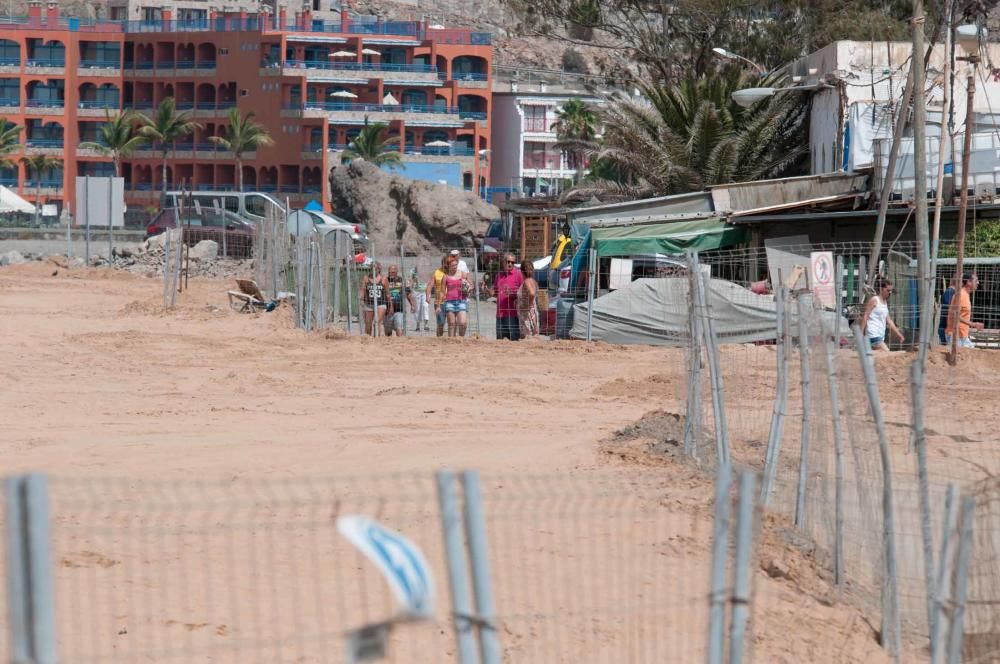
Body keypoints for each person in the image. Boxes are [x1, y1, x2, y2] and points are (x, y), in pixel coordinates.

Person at [861, 277, 904, 351]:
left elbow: (889, 320)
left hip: (880, 335)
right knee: (887, 353)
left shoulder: (884, 302)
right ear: (881, 289)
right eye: (888, 290)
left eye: (891, 291)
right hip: (873, 334)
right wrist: (861, 334)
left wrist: (898, 334)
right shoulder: (874, 300)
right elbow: (865, 316)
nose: (890, 292)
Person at [946, 272, 984, 349]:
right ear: (968, 282)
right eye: (976, 280)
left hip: (961, 335)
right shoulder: (961, 295)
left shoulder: (965, 294)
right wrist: (973, 324)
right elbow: (955, 315)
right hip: (955, 335)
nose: (978, 282)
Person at [437, 256, 472, 337]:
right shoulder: (445, 277)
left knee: (463, 323)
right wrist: (438, 306)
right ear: (448, 266)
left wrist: (468, 288)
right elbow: (442, 292)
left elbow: (471, 285)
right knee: (452, 324)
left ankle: (461, 339)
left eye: (456, 265)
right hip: (449, 302)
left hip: (461, 301)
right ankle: (451, 342)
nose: (455, 267)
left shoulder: (463, 274)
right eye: (453, 265)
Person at [493, 253, 523, 341]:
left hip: (512, 314)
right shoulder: (499, 275)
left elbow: (523, 293)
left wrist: (512, 294)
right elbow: (495, 292)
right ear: (503, 262)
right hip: (500, 313)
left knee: (513, 340)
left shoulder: (518, 275)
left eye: (512, 262)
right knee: (500, 340)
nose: (510, 264)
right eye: (508, 261)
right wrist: (488, 291)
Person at [360, 261, 390, 337]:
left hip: (381, 303)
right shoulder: (366, 278)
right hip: (369, 303)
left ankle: (377, 338)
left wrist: (390, 305)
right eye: (372, 268)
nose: (374, 270)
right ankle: (368, 337)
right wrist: (361, 300)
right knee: (368, 323)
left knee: (377, 322)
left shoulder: (383, 279)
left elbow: (387, 293)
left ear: (379, 269)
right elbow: (363, 289)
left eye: (376, 268)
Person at [385, 264, 415, 337]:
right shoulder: (385, 280)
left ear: (397, 272)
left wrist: (412, 304)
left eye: (393, 272)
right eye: (390, 272)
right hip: (387, 310)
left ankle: (400, 343)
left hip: (399, 309)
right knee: (388, 331)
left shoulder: (402, 280)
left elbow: (408, 293)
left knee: (399, 328)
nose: (391, 274)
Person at [427, 255, 450, 337]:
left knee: (452, 323)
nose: (447, 265)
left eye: (448, 263)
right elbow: (430, 285)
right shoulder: (436, 272)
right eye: (445, 263)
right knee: (440, 323)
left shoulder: (454, 273)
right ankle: (439, 338)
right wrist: (428, 296)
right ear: (442, 263)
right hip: (439, 301)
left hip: (452, 300)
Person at [517, 258, 540, 338]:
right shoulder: (533, 281)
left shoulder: (526, 281)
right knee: (534, 336)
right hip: (532, 313)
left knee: (527, 337)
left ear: (522, 271)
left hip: (527, 314)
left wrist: (527, 307)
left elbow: (532, 293)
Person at [408, 266, 430, 332]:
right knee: (417, 309)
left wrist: (428, 291)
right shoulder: (413, 270)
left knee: (425, 306)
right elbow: (410, 280)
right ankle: (417, 325)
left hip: (425, 291)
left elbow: (429, 281)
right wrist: (411, 290)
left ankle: (426, 324)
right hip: (416, 291)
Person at [938, 276, 958, 345]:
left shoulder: (951, 292)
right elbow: (950, 309)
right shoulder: (950, 292)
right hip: (945, 328)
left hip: (946, 327)